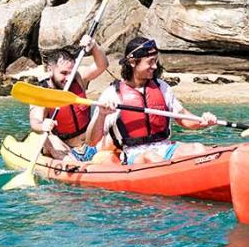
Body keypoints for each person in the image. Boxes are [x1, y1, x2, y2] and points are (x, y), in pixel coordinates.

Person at [85, 37, 217, 165]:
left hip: (165, 147)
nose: (154, 67)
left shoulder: (162, 87)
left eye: (156, 61)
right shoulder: (112, 94)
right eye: (150, 62)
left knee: (198, 148)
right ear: (132, 62)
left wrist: (202, 121)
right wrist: (102, 115)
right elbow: (91, 141)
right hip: (134, 153)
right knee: (151, 157)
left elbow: (183, 118)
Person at [29, 35, 108, 162]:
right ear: (50, 70)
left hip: (90, 142)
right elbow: (35, 121)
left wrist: (93, 46)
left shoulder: (77, 77)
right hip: (64, 147)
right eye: (63, 73)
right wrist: (42, 125)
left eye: (70, 73)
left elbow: (102, 65)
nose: (68, 78)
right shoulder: (41, 93)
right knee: (50, 139)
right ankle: (72, 164)